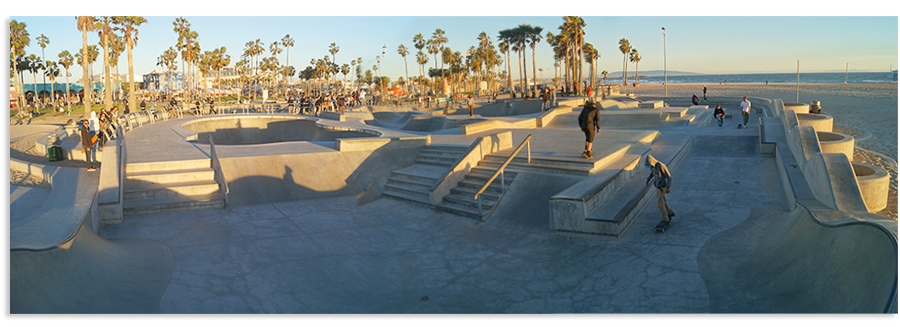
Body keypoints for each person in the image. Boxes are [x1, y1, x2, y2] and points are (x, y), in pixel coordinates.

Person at [645, 155, 674, 224]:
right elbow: (652, 173)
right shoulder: (653, 167)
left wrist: (668, 188)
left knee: (660, 204)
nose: (649, 167)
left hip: (663, 187)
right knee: (663, 201)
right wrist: (648, 180)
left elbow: (669, 177)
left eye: (649, 165)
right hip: (658, 187)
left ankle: (666, 219)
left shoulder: (661, 166)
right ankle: (670, 212)